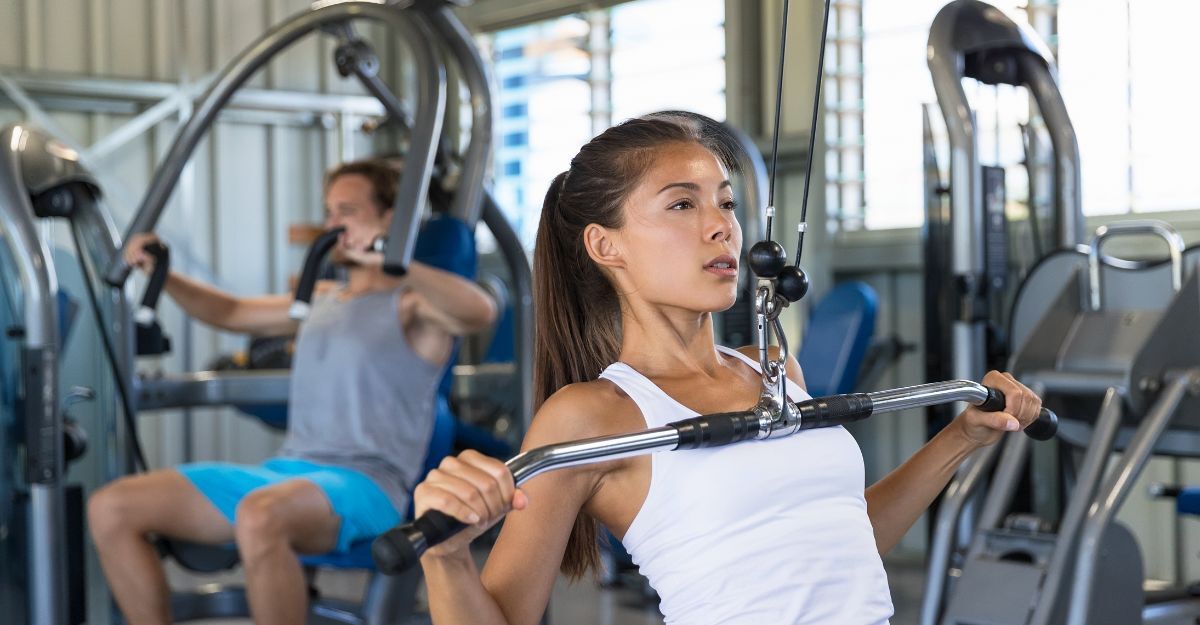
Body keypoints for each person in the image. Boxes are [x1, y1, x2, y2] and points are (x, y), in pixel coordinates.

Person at [410, 114, 1044, 625]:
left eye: (727, 202)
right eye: (682, 205)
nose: (722, 228)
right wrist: (446, 557)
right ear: (606, 244)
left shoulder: (774, 369)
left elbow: (845, 543)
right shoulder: (591, 415)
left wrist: (962, 436)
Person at [87, 159, 497, 625]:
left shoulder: (414, 307)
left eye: (348, 211)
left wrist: (392, 257)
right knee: (111, 507)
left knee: (260, 514)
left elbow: (480, 311)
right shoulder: (320, 297)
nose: (333, 224)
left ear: (390, 217)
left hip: (366, 485)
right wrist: (162, 273)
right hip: (286, 473)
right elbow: (230, 311)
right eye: (329, 211)